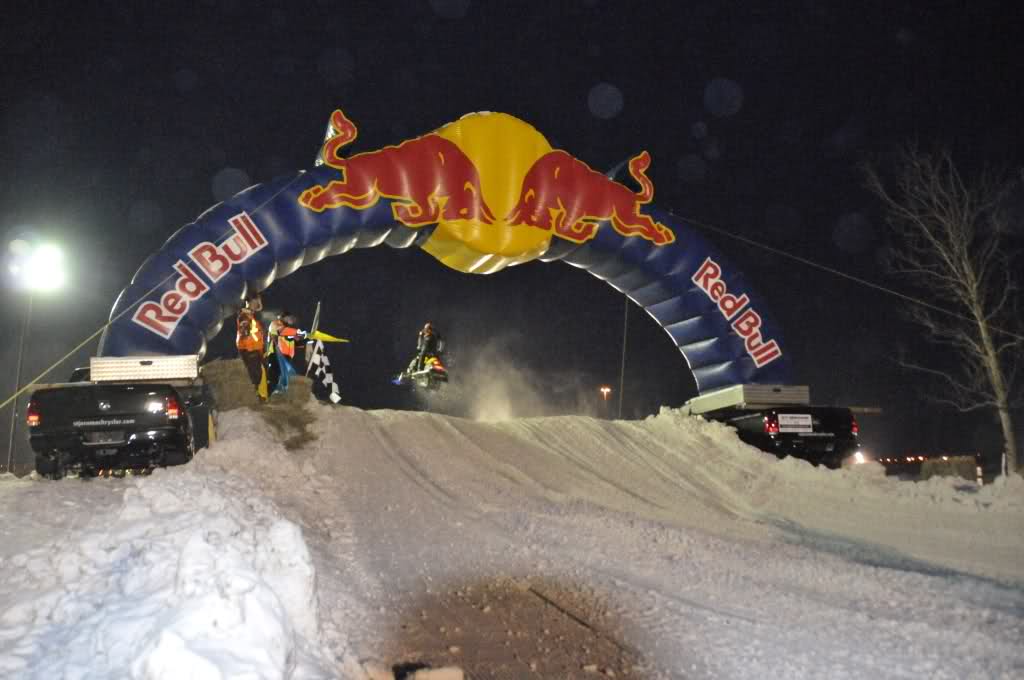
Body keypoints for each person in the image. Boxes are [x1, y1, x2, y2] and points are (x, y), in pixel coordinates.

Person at [236, 298, 266, 402]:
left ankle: (254, 395)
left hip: (254, 349)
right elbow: (244, 332)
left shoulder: (251, 316)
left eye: (257, 302)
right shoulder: (244, 316)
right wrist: (245, 329)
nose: (256, 304)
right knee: (254, 374)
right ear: (248, 303)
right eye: (254, 302)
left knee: (257, 374)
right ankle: (253, 396)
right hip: (249, 349)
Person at [271, 312, 307, 394]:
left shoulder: (289, 329)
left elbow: (296, 341)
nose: (291, 320)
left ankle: (281, 390)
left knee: (288, 373)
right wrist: (297, 332)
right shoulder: (276, 324)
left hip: (287, 356)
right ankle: (275, 389)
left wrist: (304, 337)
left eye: (292, 318)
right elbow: (282, 331)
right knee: (279, 372)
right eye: (289, 318)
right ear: (284, 317)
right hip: (276, 353)